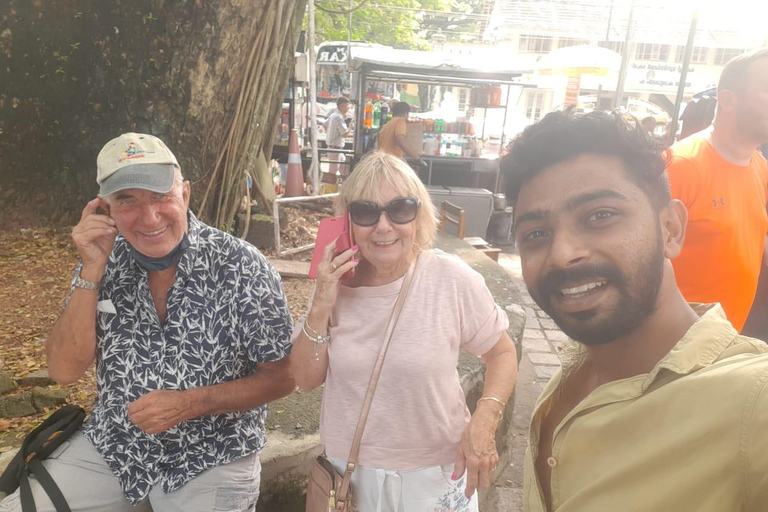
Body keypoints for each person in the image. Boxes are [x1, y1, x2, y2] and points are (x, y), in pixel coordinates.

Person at [0, 133, 295, 512]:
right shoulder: (104, 261)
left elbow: (283, 376)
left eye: (161, 197)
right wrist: (91, 269)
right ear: (104, 208)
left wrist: (188, 404)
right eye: (128, 201)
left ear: (185, 195)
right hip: (115, 444)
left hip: (213, 451)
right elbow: (62, 370)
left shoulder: (241, 265)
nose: (149, 217)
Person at [501, 110, 768, 512]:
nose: (562, 254)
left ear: (672, 229)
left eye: (599, 216)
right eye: (535, 234)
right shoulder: (572, 376)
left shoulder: (752, 402)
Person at [291, 151, 518, 511]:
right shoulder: (334, 286)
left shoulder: (451, 278)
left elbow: (501, 352)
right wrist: (321, 304)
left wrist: (485, 420)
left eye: (400, 209)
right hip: (350, 479)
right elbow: (304, 378)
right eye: (366, 212)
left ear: (419, 215)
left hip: (436, 475)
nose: (383, 226)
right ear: (348, 222)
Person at [666, 48, 768, 332]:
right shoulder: (681, 165)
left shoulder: (759, 165)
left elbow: (751, 239)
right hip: (673, 348)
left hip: (725, 343)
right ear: (728, 100)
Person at [326, 96, 352, 176]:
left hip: (335, 149)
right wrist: (350, 126)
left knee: (345, 171)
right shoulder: (338, 117)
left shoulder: (334, 115)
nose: (348, 108)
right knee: (332, 174)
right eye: (347, 105)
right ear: (341, 106)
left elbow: (324, 125)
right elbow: (344, 134)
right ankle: (327, 187)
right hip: (335, 149)